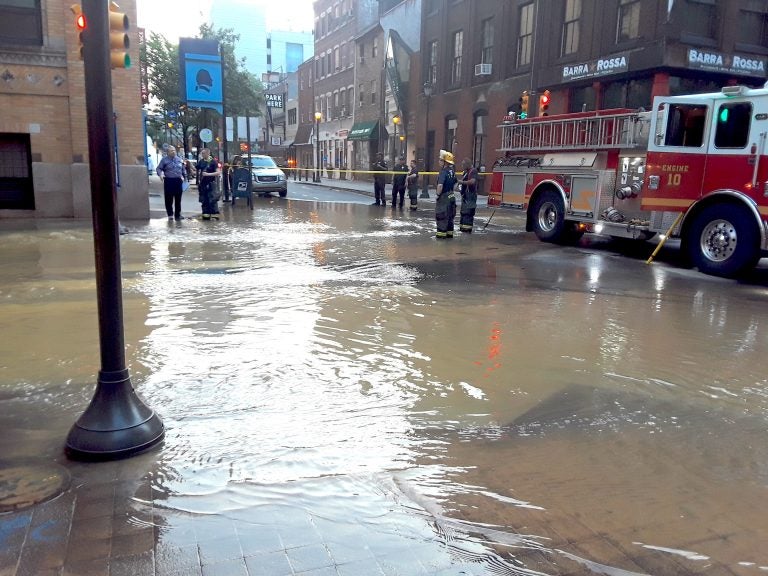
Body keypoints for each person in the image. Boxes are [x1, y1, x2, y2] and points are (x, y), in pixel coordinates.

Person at [156, 145, 187, 220]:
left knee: (178, 199)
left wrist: (185, 177)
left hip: (178, 181)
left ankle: (177, 215)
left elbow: (183, 169)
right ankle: (170, 214)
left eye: (174, 150)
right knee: (168, 199)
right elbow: (159, 168)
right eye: (171, 151)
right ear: (168, 152)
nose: (173, 152)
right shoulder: (164, 160)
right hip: (169, 181)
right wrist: (160, 175)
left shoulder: (179, 159)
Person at [435, 150, 457, 239]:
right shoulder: (452, 171)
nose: (438, 162)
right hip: (451, 197)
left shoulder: (443, 172)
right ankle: (449, 236)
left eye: (440, 160)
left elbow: (440, 185)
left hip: (443, 198)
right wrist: (451, 191)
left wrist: (437, 195)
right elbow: (456, 183)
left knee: (441, 217)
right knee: (450, 218)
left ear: (445, 162)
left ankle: (441, 242)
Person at [196, 148, 222, 220]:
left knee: (212, 199)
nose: (202, 154)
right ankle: (205, 215)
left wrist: (208, 174)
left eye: (203, 153)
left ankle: (215, 215)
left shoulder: (213, 162)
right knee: (204, 200)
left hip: (211, 183)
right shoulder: (201, 161)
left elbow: (218, 172)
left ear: (208, 153)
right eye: (202, 153)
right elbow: (196, 169)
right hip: (203, 184)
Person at [459, 157, 478, 233]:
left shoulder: (473, 171)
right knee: (463, 213)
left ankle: (467, 230)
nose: (462, 166)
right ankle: (462, 229)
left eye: (463, 165)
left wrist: (462, 182)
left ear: (467, 165)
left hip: (470, 196)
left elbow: (472, 181)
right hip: (465, 196)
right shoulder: (465, 172)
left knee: (468, 213)